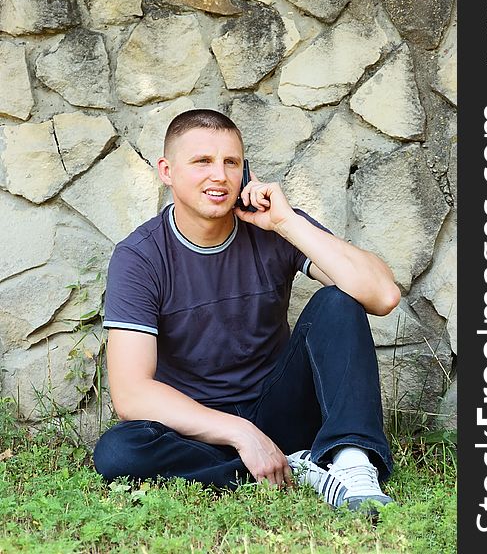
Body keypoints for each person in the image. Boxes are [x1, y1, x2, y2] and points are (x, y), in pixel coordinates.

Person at [93, 108, 401, 515]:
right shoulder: (140, 257)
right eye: (202, 161)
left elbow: (382, 296)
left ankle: (351, 463)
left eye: (231, 162)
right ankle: (296, 467)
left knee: (340, 300)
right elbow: (132, 393)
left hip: (281, 409)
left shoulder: (273, 227)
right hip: (201, 427)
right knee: (118, 452)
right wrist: (241, 433)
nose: (219, 175)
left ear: (245, 170)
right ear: (167, 171)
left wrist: (287, 222)